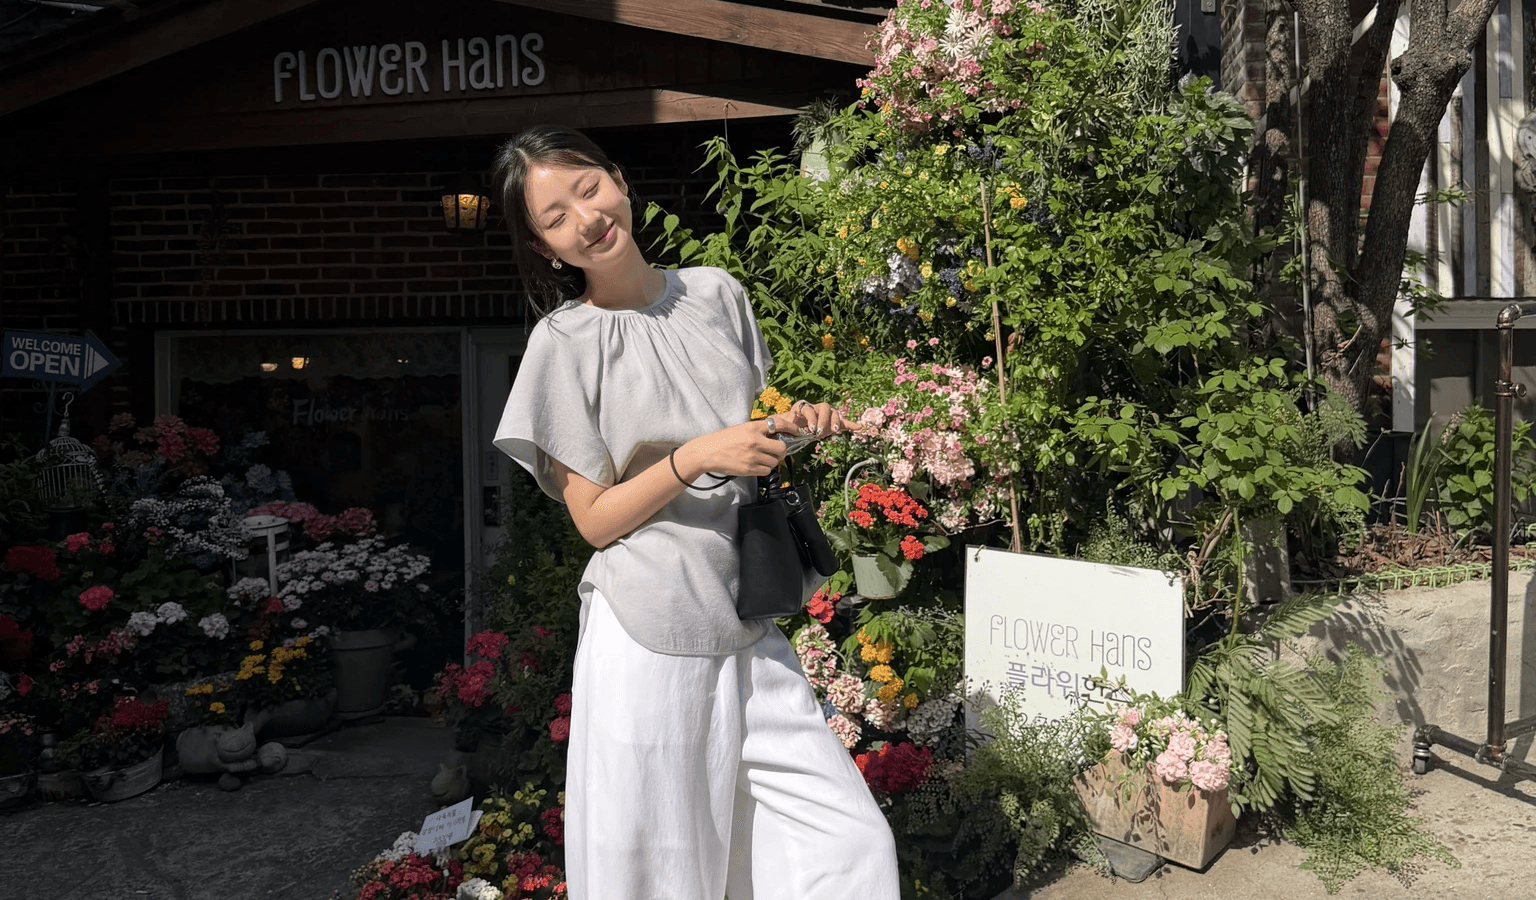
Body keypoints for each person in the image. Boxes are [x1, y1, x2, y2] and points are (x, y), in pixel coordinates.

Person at [490, 125, 900, 900]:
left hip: (745, 609)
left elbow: (740, 439)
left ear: (618, 180)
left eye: (589, 188)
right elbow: (594, 521)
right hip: (648, 626)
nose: (586, 218)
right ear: (546, 247)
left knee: (846, 844)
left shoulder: (716, 294)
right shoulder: (562, 343)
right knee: (664, 872)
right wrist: (695, 457)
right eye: (555, 218)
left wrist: (788, 428)